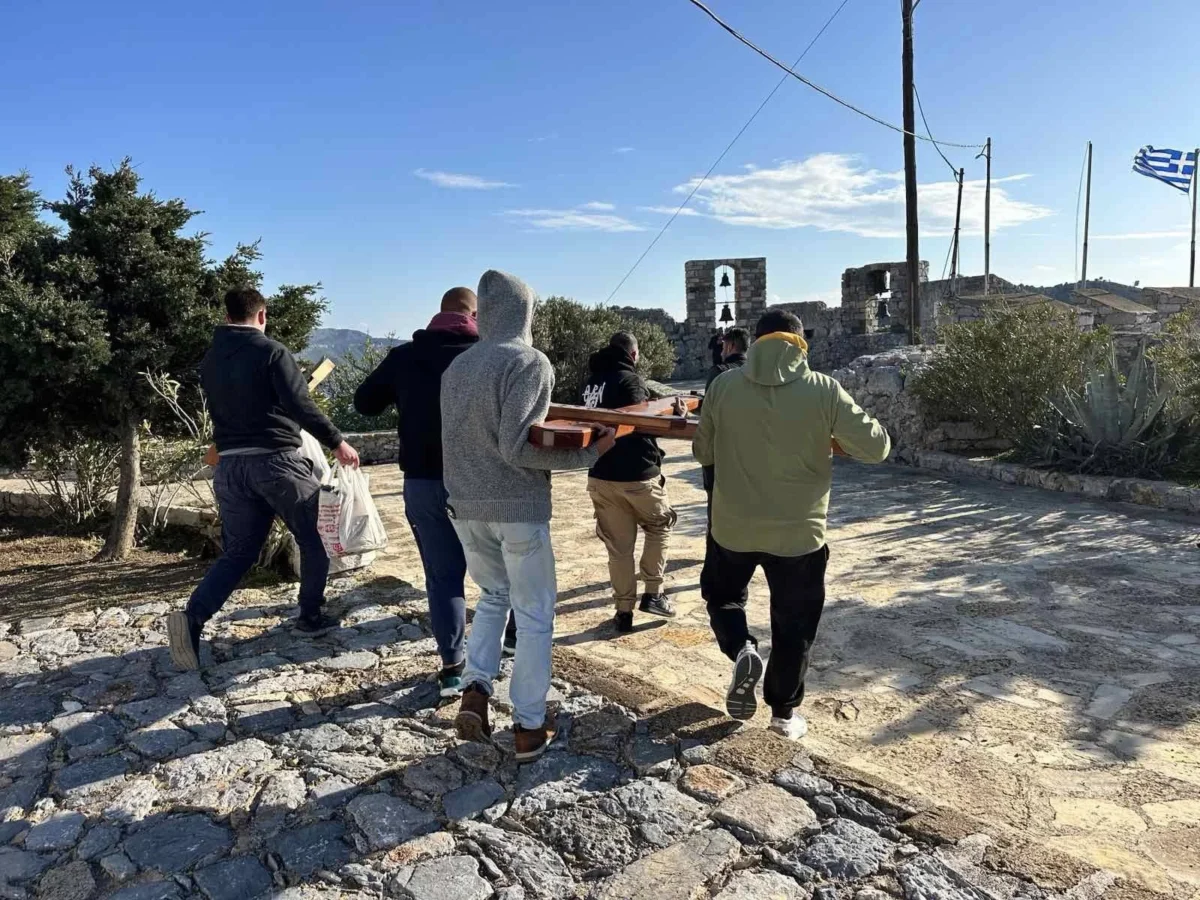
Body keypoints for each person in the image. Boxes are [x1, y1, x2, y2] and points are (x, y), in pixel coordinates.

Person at [440, 270, 617, 761]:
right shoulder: (528, 361)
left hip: (465, 505)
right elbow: (517, 446)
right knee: (535, 615)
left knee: (493, 596)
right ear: (526, 311)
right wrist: (592, 452)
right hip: (516, 507)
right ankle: (530, 726)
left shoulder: (457, 368)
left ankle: (475, 690)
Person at [693, 308, 890, 741]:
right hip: (799, 535)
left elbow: (702, 451)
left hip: (733, 527)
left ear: (756, 343)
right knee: (794, 623)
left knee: (723, 597)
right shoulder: (824, 390)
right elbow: (876, 449)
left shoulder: (724, 386)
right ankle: (783, 715)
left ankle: (742, 648)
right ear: (801, 344)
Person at [169, 287, 360, 671]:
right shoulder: (271, 352)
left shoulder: (211, 360)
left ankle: (193, 617)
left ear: (227, 317)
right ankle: (310, 615)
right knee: (315, 536)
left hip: (230, 468)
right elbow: (300, 404)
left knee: (239, 552)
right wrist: (337, 442)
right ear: (262, 315)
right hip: (276, 463)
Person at [352, 287, 480, 697]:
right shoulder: (485, 356)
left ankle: (453, 666)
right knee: (503, 571)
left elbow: (364, 403)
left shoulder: (405, 356)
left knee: (443, 577)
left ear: (438, 315)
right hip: (480, 483)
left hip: (423, 482)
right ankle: (510, 641)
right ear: (474, 315)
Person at [581, 332, 680, 633]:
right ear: (633, 355)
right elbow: (644, 423)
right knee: (659, 525)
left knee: (619, 548)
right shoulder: (631, 381)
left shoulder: (591, 383)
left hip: (600, 473)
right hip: (637, 473)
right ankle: (654, 593)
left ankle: (623, 612)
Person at [699, 325, 748, 605]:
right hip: (752, 460)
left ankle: (714, 574)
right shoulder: (756, 373)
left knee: (716, 519)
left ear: (728, 346)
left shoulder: (719, 374)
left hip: (720, 462)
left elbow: (708, 416)